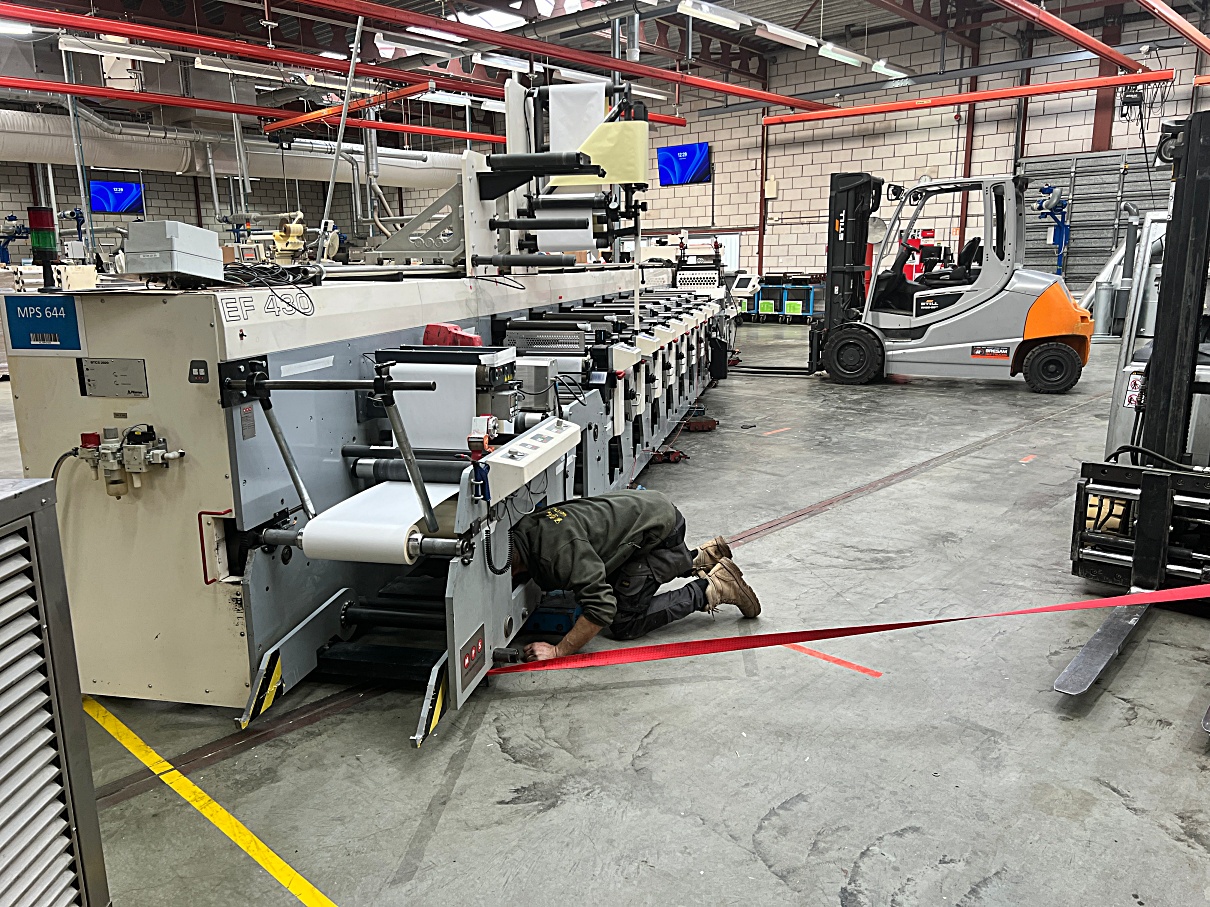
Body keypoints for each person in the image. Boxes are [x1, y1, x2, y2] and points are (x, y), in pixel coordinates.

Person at [509, 489, 761, 662]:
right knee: (611, 583)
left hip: (660, 534)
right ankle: (700, 558)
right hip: (650, 513)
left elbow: (601, 608)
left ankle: (713, 587)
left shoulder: (559, 555)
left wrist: (558, 651)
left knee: (623, 622)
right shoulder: (526, 527)